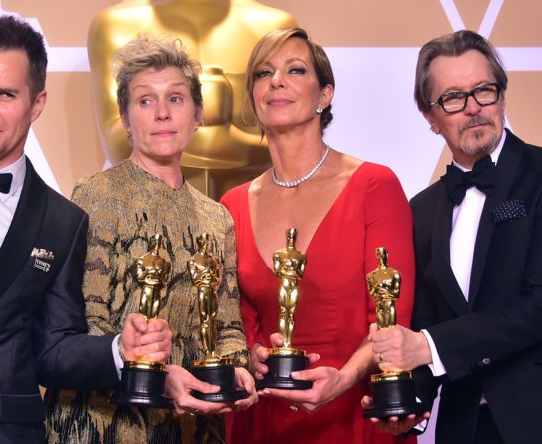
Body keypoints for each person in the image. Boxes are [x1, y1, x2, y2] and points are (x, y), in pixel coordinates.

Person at [0, 15, 170, 444]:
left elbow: (53, 348)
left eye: (5, 94)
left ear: (37, 103)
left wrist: (119, 351)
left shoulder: (63, 221)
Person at [44, 35, 257, 444]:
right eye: (145, 101)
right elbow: (85, 323)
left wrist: (236, 369)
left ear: (198, 114)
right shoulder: (96, 195)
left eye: (175, 98)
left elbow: (227, 326)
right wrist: (159, 376)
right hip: (103, 424)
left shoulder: (217, 218)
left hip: (192, 426)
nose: (162, 113)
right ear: (125, 119)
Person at [220, 27, 415, 444]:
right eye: (263, 73)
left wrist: (344, 378)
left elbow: (392, 317)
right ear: (253, 97)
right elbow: (238, 320)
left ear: (325, 95)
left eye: (295, 70)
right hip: (265, 419)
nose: (277, 81)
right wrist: (251, 355)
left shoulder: (374, 186)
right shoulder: (232, 204)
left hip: (353, 415)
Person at [366, 30, 542, 444]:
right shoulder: (421, 210)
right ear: (430, 116)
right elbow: (426, 320)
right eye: (453, 98)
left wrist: (429, 346)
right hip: (462, 429)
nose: (473, 108)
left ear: (502, 95)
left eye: (484, 90)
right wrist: (410, 405)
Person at [87, 0, 296, 198]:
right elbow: (118, 145)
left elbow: (289, 144)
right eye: (146, 101)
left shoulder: (273, 26)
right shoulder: (116, 25)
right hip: (149, 207)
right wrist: (225, 136)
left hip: (252, 208)